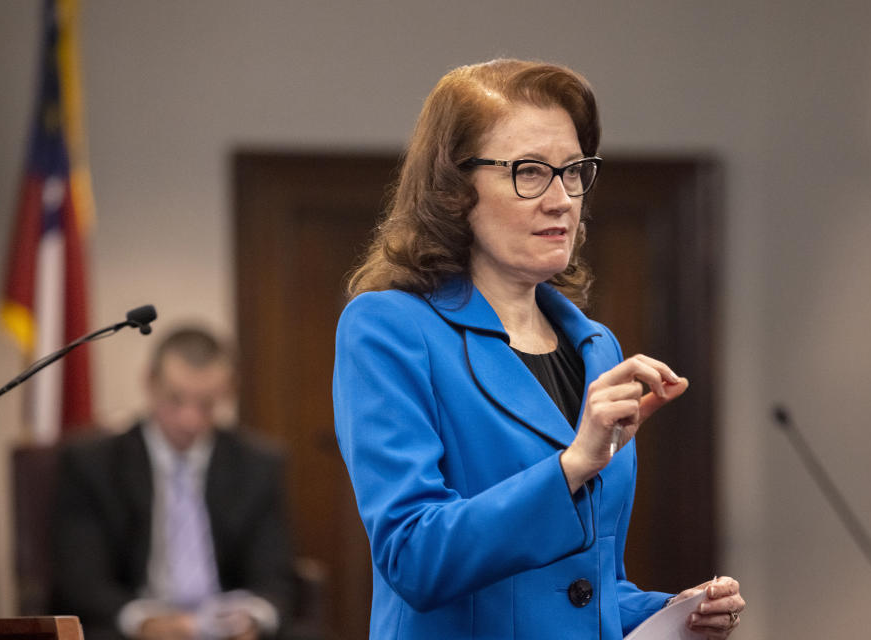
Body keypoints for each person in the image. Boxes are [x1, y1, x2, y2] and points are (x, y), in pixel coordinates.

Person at [332, 59, 745, 639]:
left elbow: (583, 589)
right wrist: (572, 466)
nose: (561, 199)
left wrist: (670, 613)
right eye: (530, 171)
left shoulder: (598, 349)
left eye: (573, 171)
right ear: (455, 190)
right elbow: (413, 556)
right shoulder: (388, 327)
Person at [51, 327, 296, 640]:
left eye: (206, 404)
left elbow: (274, 575)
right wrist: (142, 621)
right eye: (176, 400)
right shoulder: (94, 464)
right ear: (149, 382)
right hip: (136, 626)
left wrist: (252, 618)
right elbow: (81, 580)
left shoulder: (257, 465)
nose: (189, 420)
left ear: (228, 392)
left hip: (225, 627)